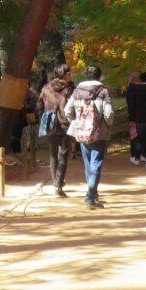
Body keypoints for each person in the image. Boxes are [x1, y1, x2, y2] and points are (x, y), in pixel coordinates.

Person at [64, 65, 114, 207]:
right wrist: (108, 124)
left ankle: (93, 194)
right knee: (96, 163)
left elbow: (67, 110)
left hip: (82, 132)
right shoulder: (103, 91)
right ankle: (90, 196)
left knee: (88, 165)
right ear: (99, 76)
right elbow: (109, 114)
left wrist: (76, 122)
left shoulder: (77, 91)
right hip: (99, 132)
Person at [35, 64, 74, 196]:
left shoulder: (46, 87)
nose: (71, 75)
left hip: (49, 122)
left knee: (53, 154)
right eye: (69, 73)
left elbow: (39, 105)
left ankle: (56, 183)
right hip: (64, 123)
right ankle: (58, 184)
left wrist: (43, 117)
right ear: (64, 74)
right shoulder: (69, 88)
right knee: (63, 154)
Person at [124, 72, 142, 163]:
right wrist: (131, 118)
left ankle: (137, 154)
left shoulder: (135, 89)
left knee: (138, 136)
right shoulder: (131, 89)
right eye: (138, 78)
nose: (140, 80)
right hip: (134, 116)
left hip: (137, 116)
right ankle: (134, 155)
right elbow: (131, 105)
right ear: (134, 79)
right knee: (135, 136)